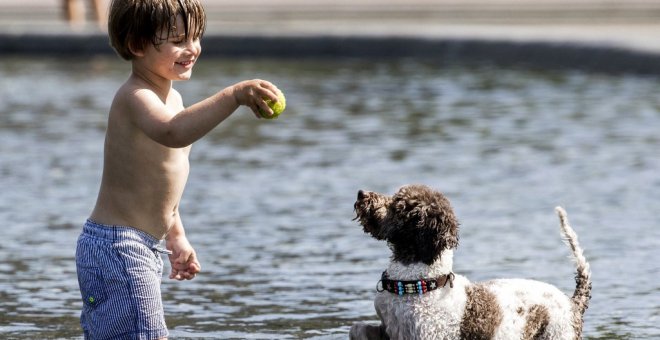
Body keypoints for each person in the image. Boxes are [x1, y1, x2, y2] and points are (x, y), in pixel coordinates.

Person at [75, 0, 282, 338]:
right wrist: (233, 95)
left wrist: (176, 236)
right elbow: (173, 132)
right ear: (137, 45)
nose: (192, 49)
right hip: (119, 247)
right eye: (178, 40)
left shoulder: (172, 100)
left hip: (137, 246)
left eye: (195, 37)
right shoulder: (136, 97)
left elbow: (163, 181)